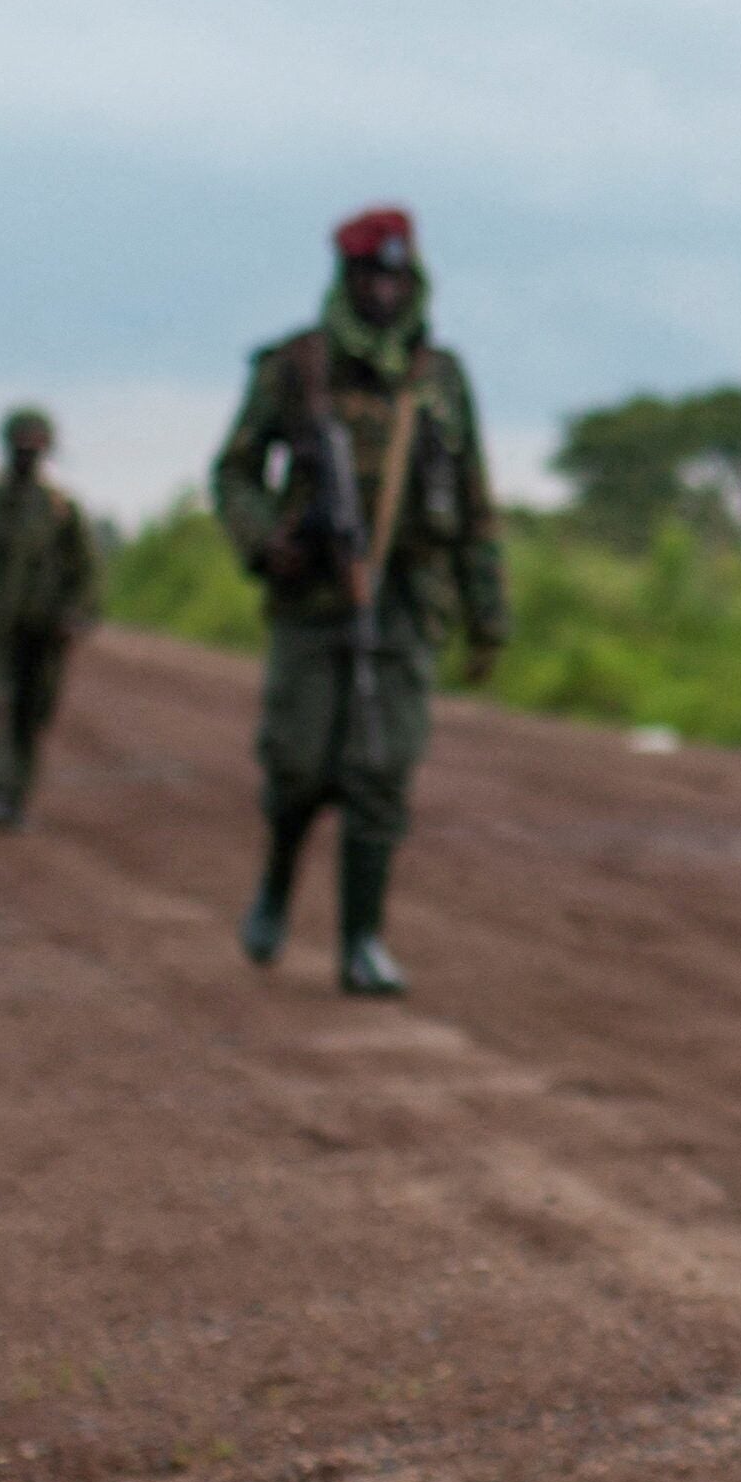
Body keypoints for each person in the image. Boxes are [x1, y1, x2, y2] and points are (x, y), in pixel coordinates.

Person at [208, 205, 506, 995]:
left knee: (382, 768)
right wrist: (266, 539)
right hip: (311, 600)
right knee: (301, 765)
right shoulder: (297, 368)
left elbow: (475, 501)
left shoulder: (439, 379)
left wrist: (488, 617)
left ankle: (361, 942)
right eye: (369, 276)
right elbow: (235, 471)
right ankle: (276, 882)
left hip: (407, 599)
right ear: (346, 280)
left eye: (395, 276)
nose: (382, 291)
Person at [0, 407, 101, 830]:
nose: (28, 455)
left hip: (42, 631)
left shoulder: (60, 509)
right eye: (22, 446)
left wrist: (76, 614)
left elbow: (86, 569)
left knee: (30, 716)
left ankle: (14, 798)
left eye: (36, 446)